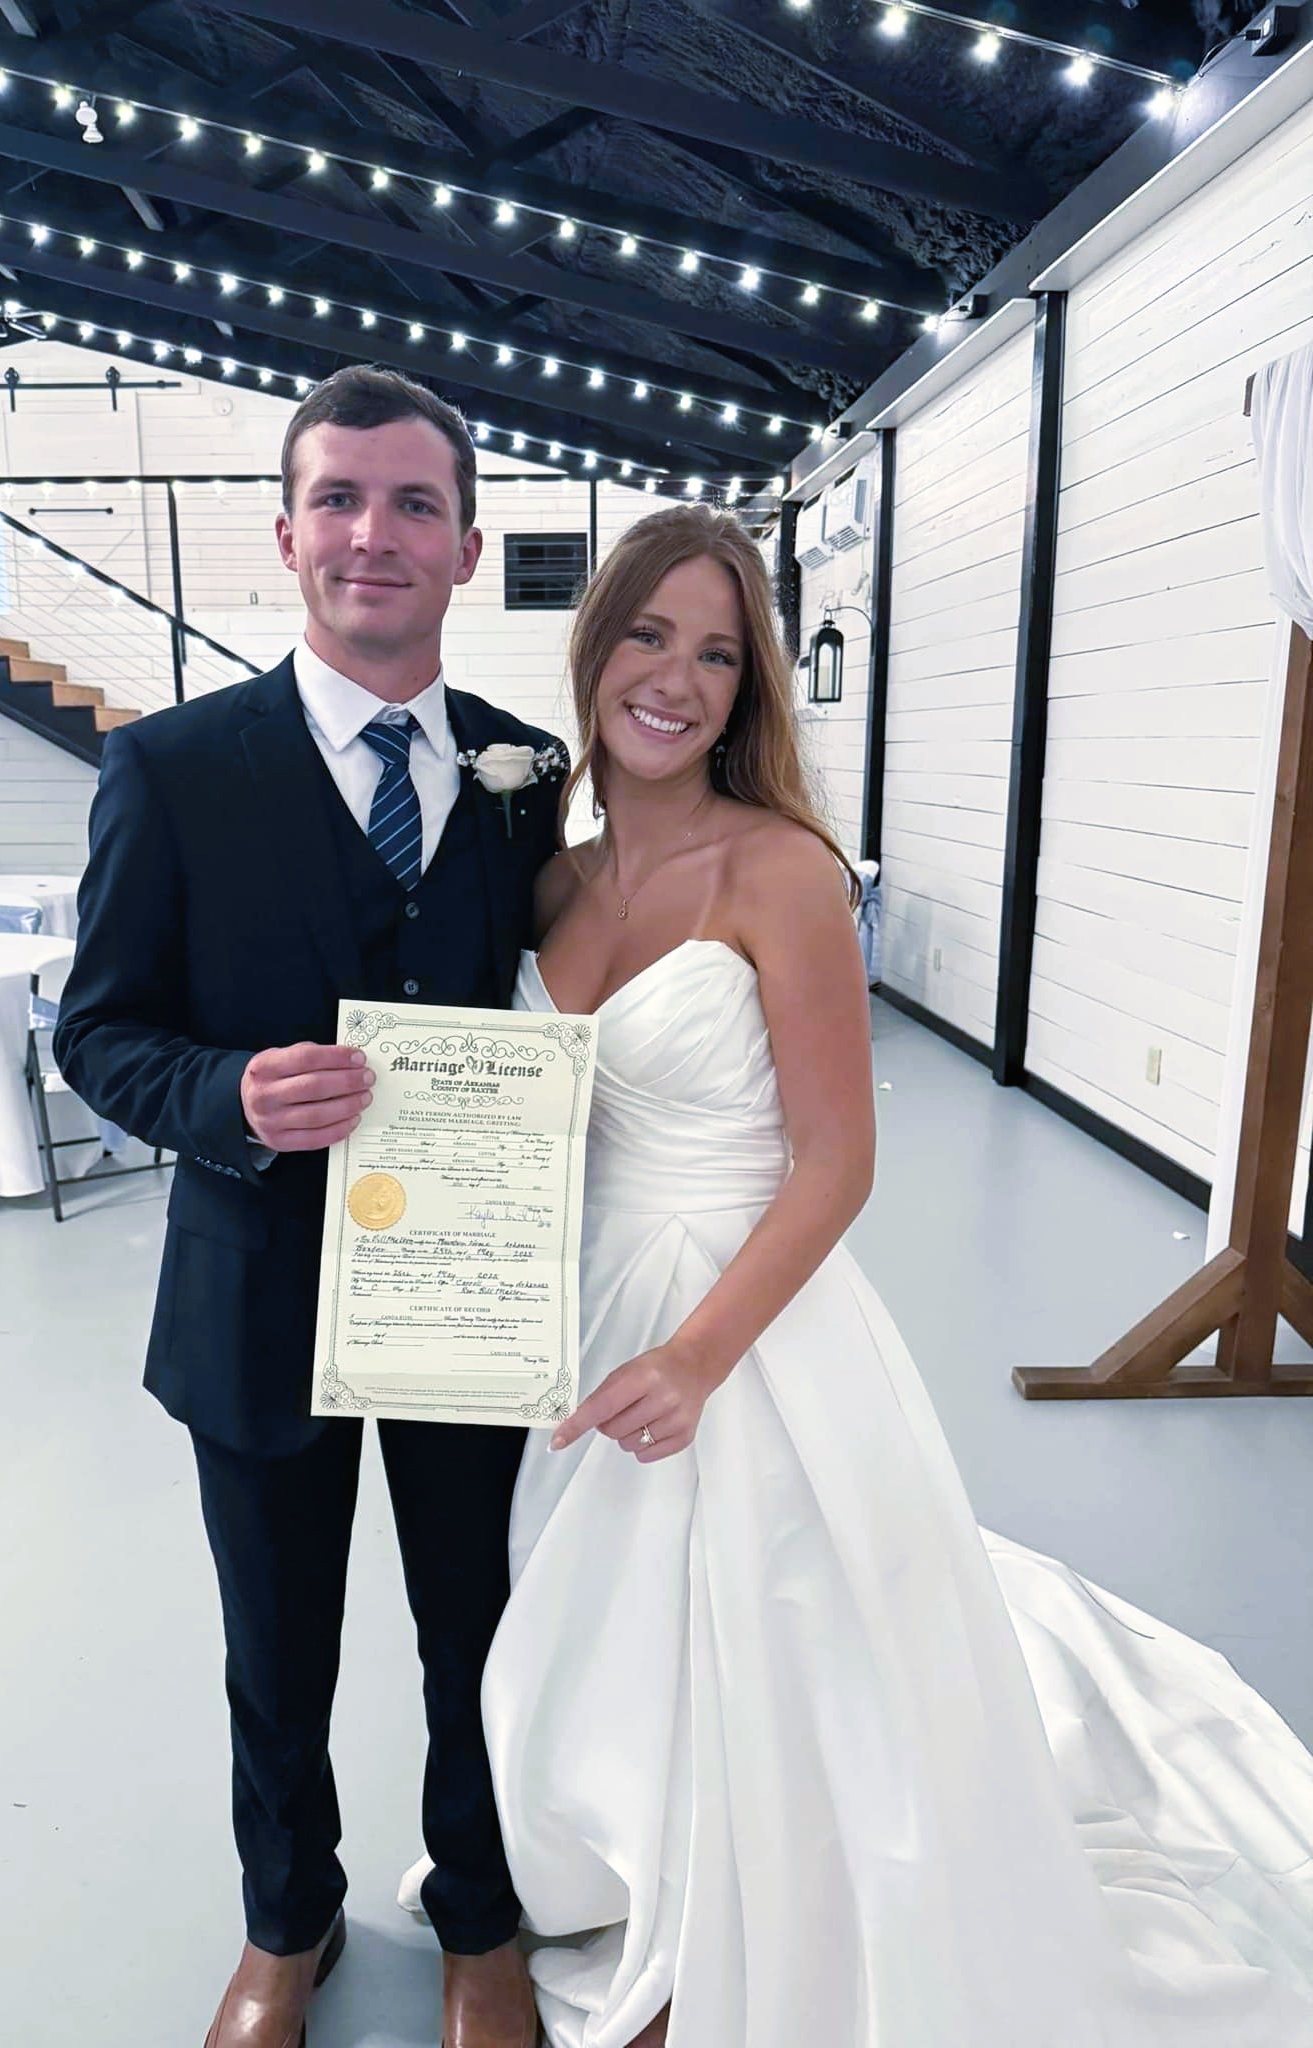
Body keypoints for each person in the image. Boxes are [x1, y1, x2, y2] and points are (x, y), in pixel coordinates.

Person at [472, 503, 1313, 2047]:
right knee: (603, 1618)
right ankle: (635, 1872)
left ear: (750, 689)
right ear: (593, 651)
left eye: (718, 654)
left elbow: (838, 1163)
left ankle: (755, 1914)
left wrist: (699, 1357)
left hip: (744, 1321)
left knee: (773, 1626)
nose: (677, 680)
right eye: (649, 635)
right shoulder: (550, 878)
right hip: (586, 1300)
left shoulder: (781, 871)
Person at [54, 365, 557, 2048]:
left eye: (415, 503)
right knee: (275, 1643)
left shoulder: (528, 773)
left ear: (467, 547)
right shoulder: (171, 768)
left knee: (479, 1626)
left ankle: (481, 1913)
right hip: (255, 1293)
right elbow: (99, 1033)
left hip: (469, 1292)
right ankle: (290, 1923)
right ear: (285, 535)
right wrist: (228, 1101)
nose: (373, 534)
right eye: (338, 498)